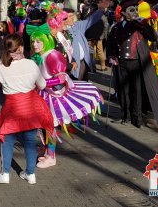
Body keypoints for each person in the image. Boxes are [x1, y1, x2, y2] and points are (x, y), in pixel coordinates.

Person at [27, 23, 103, 168]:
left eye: (38, 41)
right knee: (42, 125)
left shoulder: (53, 56)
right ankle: (46, 149)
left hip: (55, 96)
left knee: (50, 125)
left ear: (46, 40)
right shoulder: (37, 55)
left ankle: (51, 156)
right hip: (42, 94)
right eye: (33, 41)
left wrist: (45, 83)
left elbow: (61, 79)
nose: (35, 44)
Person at [0, 34, 54, 185]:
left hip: (12, 108)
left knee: (7, 141)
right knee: (30, 141)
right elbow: (42, 85)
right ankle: (30, 174)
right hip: (30, 108)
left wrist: (0, 82)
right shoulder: (31, 64)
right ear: (21, 47)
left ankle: (4, 174)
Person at [107, 1, 158, 128]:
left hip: (137, 62)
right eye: (131, 10)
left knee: (137, 91)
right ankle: (125, 116)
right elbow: (110, 44)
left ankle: (137, 118)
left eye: (136, 9)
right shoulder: (116, 27)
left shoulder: (140, 25)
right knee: (123, 91)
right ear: (124, 13)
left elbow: (153, 37)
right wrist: (111, 56)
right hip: (121, 63)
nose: (135, 12)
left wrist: (144, 24)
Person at [63, 0, 111, 81]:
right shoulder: (62, 31)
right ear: (64, 19)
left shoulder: (77, 25)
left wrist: (101, 9)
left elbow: (90, 20)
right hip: (73, 65)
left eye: (72, 16)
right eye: (70, 16)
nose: (73, 18)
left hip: (83, 62)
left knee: (84, 84)